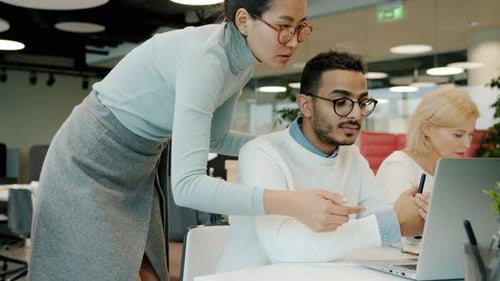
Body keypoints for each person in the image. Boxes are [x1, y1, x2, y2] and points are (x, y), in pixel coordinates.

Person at [28, 1, 365, 280]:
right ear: (244, 20)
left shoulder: (242, 62)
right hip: (90, 159)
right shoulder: (207, 60)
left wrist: (288, 145)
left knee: (143, 270)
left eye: (301, 28)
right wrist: (291, 202)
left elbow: (216, 137)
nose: (293, 41)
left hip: (141, 161)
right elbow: (188, 187)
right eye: (284, 27)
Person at [217, 50, 424, 272]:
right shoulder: (261, 154)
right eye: (341, 101)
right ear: (306, 105)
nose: (355, 114)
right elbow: (285, 249)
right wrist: (393, 224)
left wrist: (414, 221)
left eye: (362, 102)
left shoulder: (352, 156)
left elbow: (387, 224)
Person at [376, 85, 480, 219]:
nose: (467, 144)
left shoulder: (452, 169)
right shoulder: (398, 168)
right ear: (427, 129)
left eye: (470, 135)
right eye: (458, 135)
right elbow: (393, 234)